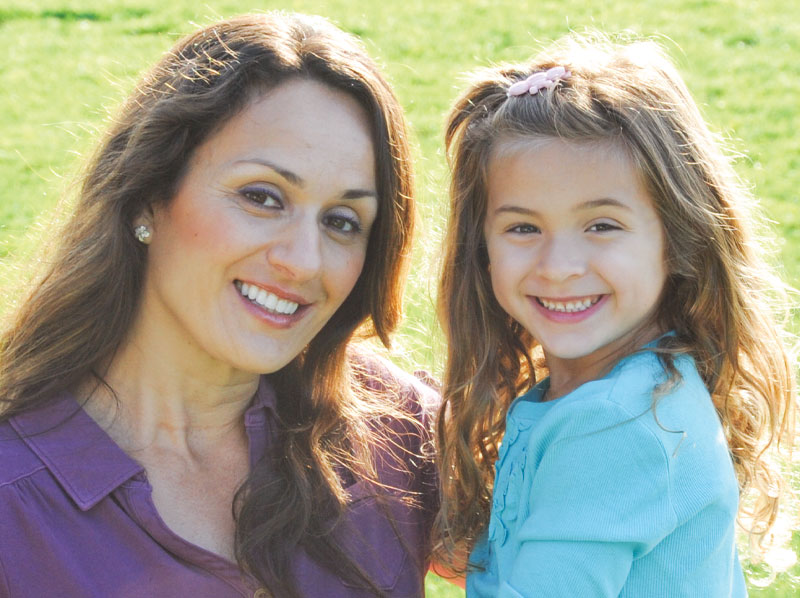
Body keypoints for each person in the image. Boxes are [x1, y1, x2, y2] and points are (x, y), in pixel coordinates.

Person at [0, 12, 439, 598]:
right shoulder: (14, 494)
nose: (304, 261)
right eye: (262, 197)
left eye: (342, 221)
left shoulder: (396, 429)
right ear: (147, 195)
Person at [433, 33, 797, 596]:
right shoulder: (623, 388)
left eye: (602, 225)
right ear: (481, 249)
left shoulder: (618, 422)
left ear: (677, 239)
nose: (559, 267)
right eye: (523, 227)